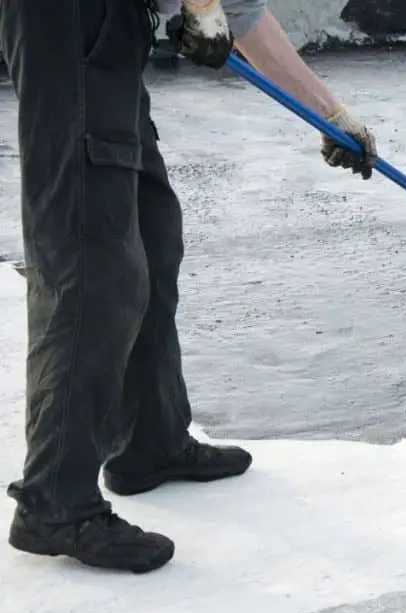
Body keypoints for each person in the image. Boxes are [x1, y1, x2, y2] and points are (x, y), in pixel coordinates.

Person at [0, 0, 378, 574]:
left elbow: (242, 11)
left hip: (109, 28)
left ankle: (150, 440)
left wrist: (330, 114)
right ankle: (56, 500)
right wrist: (200, 6)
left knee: (152, 231)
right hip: (67, 19)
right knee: (93, 259)